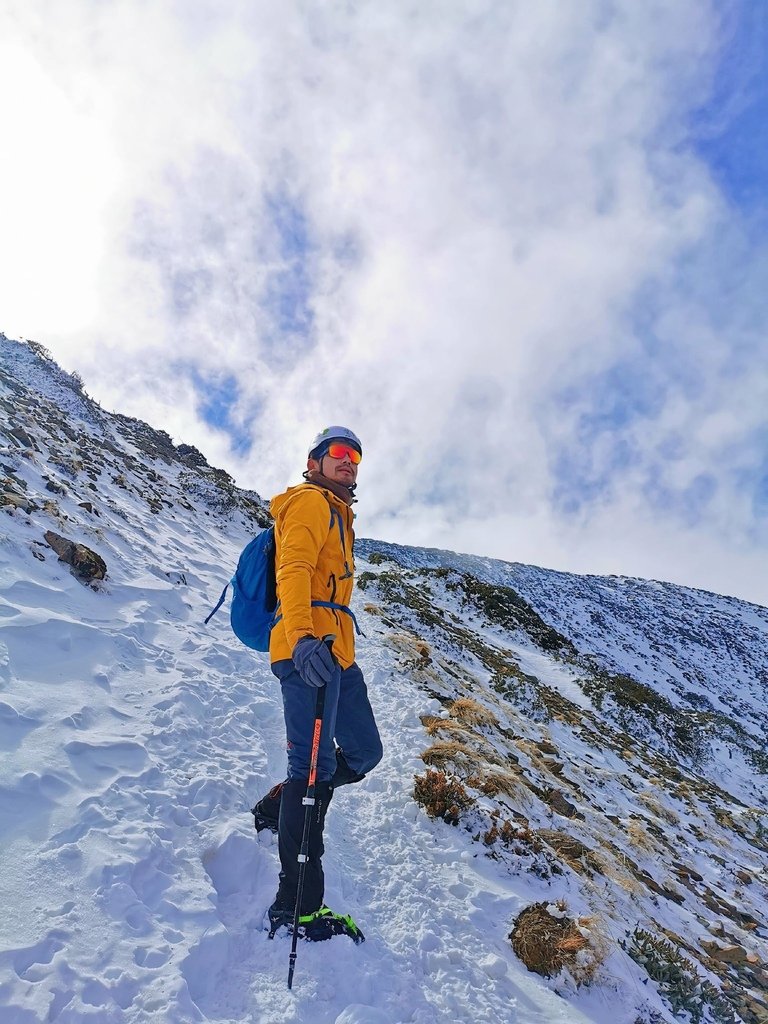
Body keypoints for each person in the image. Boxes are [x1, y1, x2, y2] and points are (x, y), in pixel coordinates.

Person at [255, 426, 383, 943]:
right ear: (315, 461)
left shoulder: (339, 513)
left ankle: (276, 807)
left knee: (364, 751)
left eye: (355, 455)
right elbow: (294, 568)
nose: (348, 461)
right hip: (309, 653)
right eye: (338, 453)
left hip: (338, 656)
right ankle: (296, 906)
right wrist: (304, 638)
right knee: (312, 768)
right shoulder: (309, 501)